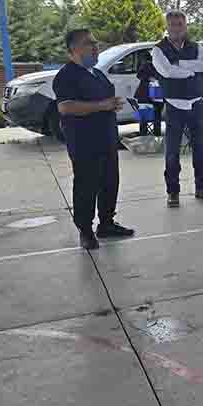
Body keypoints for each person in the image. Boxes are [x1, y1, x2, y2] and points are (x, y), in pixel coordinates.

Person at [53, 29, 135, 250]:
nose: (95, 47)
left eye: (95, 43)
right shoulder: (66, 76)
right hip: (84, 141)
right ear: (73, 49)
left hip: (106, 138)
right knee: (86, 185)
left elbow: (104, 101)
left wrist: (112, 104)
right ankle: (86, 231)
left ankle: (106, 223)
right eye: (89, 43)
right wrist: (102, 105)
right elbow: (65, 107)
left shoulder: (97, 73)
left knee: (110, 181)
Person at [151, 10, 203, 208]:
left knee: (200, 150)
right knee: (172, 152)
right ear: (167, 26)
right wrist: (194, 69)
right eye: (173, 24)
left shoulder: (197, 47)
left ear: (186, 25)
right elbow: (167, 71)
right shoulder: (158, 50)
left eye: (180, 24)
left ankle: (202, 188)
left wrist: (181, 64)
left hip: (196, 104)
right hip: (174, 106)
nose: (177, 28)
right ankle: (173, 192)